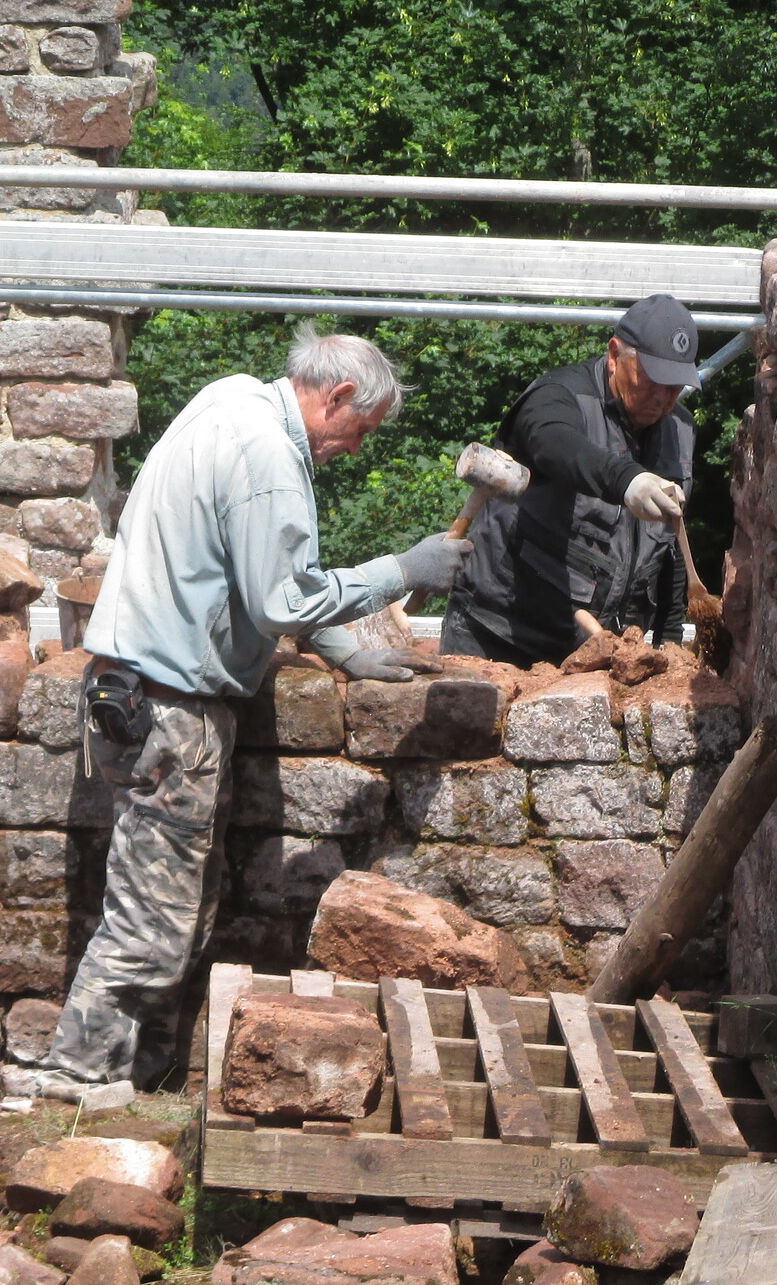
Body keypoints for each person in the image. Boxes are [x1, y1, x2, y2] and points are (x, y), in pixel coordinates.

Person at [37, 327, 471, 1100]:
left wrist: (343, 651)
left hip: (133, 691)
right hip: (169, 708)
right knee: (152, 923)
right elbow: (281, 599)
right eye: (360, 428)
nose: (356, 448)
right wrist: (403, 569)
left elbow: (252, 569)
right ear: (337, 396)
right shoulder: (270, 455)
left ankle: (145, 1084)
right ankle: (73, 1088)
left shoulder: (230, 400)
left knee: (184, 909)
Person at [441, 294, 699, 666]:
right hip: (499, 633)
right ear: (614, 355)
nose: (661, 397)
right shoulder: (559, 398)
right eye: (652, 378)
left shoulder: (680, 431)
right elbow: (554, 443)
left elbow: (670, 548)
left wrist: (669, 640)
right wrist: (627, 480)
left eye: (674, 385)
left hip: (594, 652)